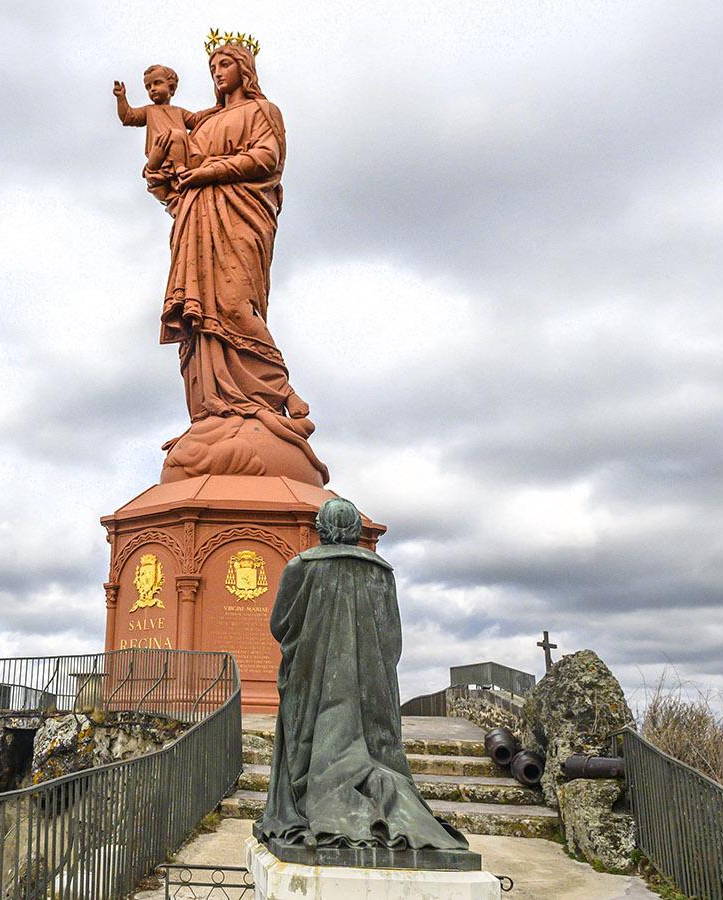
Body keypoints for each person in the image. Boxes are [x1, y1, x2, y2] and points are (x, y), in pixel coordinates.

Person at [256, 498, 472, 855]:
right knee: (377, 751)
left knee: (309, 742)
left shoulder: (302, 566)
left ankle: (313, 804)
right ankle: (386, 803)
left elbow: (280, 624)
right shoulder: (382, 573)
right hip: (371, 682)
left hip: (311, 676)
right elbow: (392, 636)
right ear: (356, 531)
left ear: (321, 529)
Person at [154, 41, 326, 484]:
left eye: (225, 63)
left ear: (244, 68)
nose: (218, 72)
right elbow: (174, 171)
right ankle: (215, 408)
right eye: (212, 66)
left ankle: (281, 394)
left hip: (240, 215)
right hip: (196, 220)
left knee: (233, 303)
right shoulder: (203, 121)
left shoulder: (263, 111)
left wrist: (210, 172)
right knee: (202, 314)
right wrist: (165, 167)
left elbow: (267, 159)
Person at [113, 65, 199, 205]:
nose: (152, 88)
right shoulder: (149, 110)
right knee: (175, 135)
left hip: (181, 152)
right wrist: (121, 98)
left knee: (177, 136)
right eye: (148, 87)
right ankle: (178, 172)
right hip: (161, 155)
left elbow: (196, 120)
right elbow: (128, 116)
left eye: (157, 83)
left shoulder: (178, 111)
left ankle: (180, 170)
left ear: (171, 87)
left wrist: (218, 108)